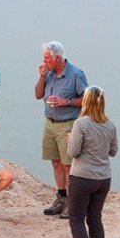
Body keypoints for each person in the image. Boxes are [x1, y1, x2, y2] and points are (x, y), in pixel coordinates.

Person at [64, 86, 118, 238]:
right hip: (103, 178)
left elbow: (73, 152)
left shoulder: (82, 124)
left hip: (82, 176)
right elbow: (113, 151)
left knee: (76, 218)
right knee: (95, 218)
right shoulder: (110, 125)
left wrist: (70, 139)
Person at [34, 41, 89, 217]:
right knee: (56, 162)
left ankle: (72, 203)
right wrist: (42, 77)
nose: (44, 61)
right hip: (50, 122)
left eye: (47, 58)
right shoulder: (48, 74)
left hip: (68, 123)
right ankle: (61, 197)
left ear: (58, 58)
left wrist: (67, 102)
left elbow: (87, 99)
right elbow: (37, 95)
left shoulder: (75, 75)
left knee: (68, 165)